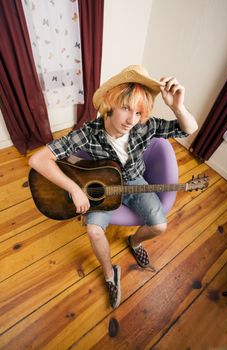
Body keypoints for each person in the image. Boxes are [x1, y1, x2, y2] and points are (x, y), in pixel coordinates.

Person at [29, 65, 198, 309]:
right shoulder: (90, 132)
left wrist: (177, 107)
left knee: (160, 226)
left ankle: (135, 243)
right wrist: (74, 189)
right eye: (126, 108)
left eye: (138, 112)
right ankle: (110, 274)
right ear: (110, 102)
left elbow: (189, 129)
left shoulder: (144, 126)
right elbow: (38, 160)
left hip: (135, 182)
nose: (131, 120)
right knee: (94, 231)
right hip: (104, 187)